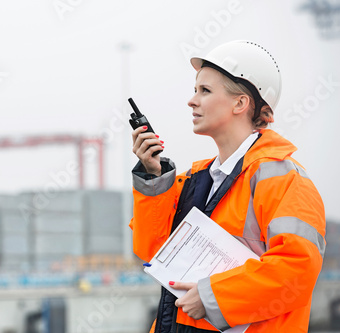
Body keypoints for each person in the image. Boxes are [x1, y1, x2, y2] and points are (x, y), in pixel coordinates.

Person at [129, 40, 326, 333]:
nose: (191, 100)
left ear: (240, 103)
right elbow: (154, 253)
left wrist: (213, 298)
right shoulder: (196, 178)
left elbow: (297, 271)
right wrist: (153, 177)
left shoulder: (284, 179)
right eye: (195, 90)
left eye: (204, 91)